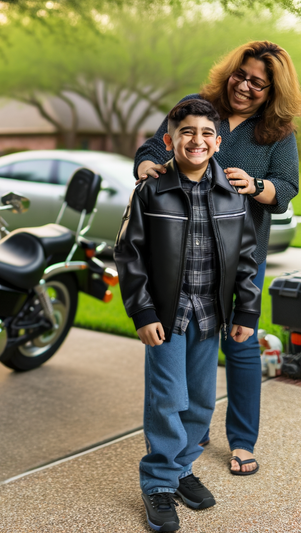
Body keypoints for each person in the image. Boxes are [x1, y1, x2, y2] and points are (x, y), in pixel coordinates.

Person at [134, 41, 301, 475]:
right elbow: (154, 148)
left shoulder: (278, 131)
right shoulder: (198, 108)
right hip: (183, 254)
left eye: (257, 83)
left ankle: (242, 440)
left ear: (273, 91)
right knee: (191, 335)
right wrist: (146, 169)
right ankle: (194, 425)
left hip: (242, 253)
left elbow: (286, 188)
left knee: (240, 342)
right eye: (240, 75)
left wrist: (255, 184)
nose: (244, 86)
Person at [114, 98, 261, 532]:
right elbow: (129, 254)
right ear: (169, 140)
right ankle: (158, 483)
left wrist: (247, 311)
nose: (196, 140)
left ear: (217, 142)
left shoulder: (233, 192)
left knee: (199, 400)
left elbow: (247, 257)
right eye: (187, 132)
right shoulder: (150, 190)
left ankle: (181, 469)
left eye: (205, 133)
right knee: (167, 399)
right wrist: (142, 311)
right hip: (166, 314)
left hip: (210, 314)